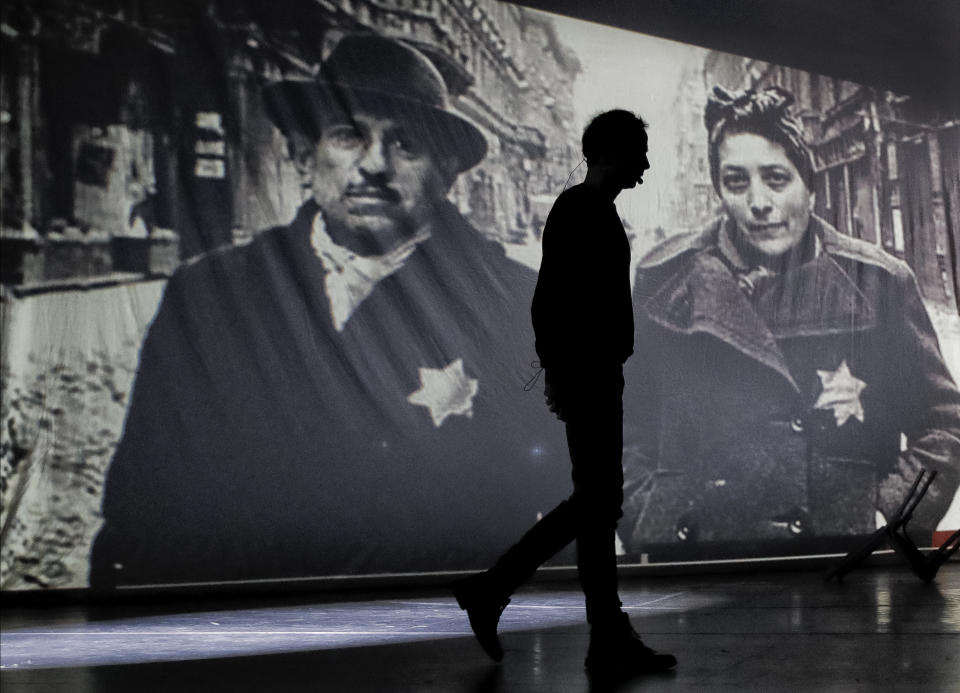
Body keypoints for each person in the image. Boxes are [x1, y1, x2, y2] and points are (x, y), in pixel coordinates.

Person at [89, 34, 570, 587]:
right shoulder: (210, 296)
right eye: (348, 136)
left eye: (405, 145)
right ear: (302, 153)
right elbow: (141, 509)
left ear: (447, 174)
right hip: (250, 649)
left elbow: (561, 513)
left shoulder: (518, 307)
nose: (372, 166)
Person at [621, 86, 960, 553]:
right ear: (719, 190)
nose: (758, 202)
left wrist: (889, 514)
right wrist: (650, 515)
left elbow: (945, 424)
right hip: (703, 555)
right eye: (736, 181)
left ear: (810, 185)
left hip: (839, 559)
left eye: (777, 178)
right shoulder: (665, 281)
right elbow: (620, 423)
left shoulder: (878, 282)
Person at [452, 110, 677, 678]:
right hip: (590, 375)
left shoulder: (594, 211)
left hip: (598, 373)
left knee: (599, 507)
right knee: (596, 503)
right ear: (609, 152)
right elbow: (548, 301)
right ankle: (497, 591)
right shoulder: (579, 210)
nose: (646, 164)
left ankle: (605, 636)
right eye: (639, 152)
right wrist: (559, 372)